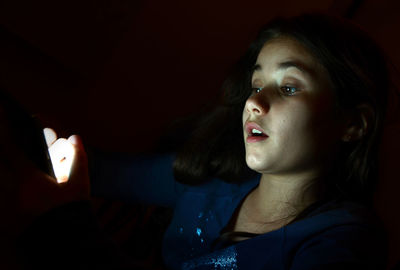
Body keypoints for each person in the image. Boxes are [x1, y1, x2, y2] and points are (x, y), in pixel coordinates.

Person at [7, 13, 392, 269]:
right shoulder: (213, 180)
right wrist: (30, 130)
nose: (254, 101)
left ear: (353, 124)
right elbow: (100, 169)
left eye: (289, 87)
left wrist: (68, 224)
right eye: (256, 85)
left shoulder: (342, 245)